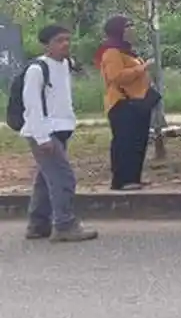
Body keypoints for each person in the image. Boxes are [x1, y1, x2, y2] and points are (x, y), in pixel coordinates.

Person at [19, 25, 97, 242]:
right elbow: (32, 105)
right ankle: (64, 224)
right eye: (59, 41)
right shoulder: (37, 69)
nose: (65, 44)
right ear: (46, 45)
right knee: (64, 178)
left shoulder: (65, 65)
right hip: (44, 132)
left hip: (61, 130)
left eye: (67, 40)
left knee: (46, 179)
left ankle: (38, 224)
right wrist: (42, 137)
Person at [96, 15, 156, 191]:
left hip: (138, 102)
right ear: (118, 30)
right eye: (128, 26)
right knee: (125, 142)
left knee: (138, 141)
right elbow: (117, 77)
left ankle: (134, 178)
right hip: (122, 103)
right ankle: (121, 180)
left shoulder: (127, 51)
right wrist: (142, 68)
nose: (132, 29)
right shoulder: (111, 51)